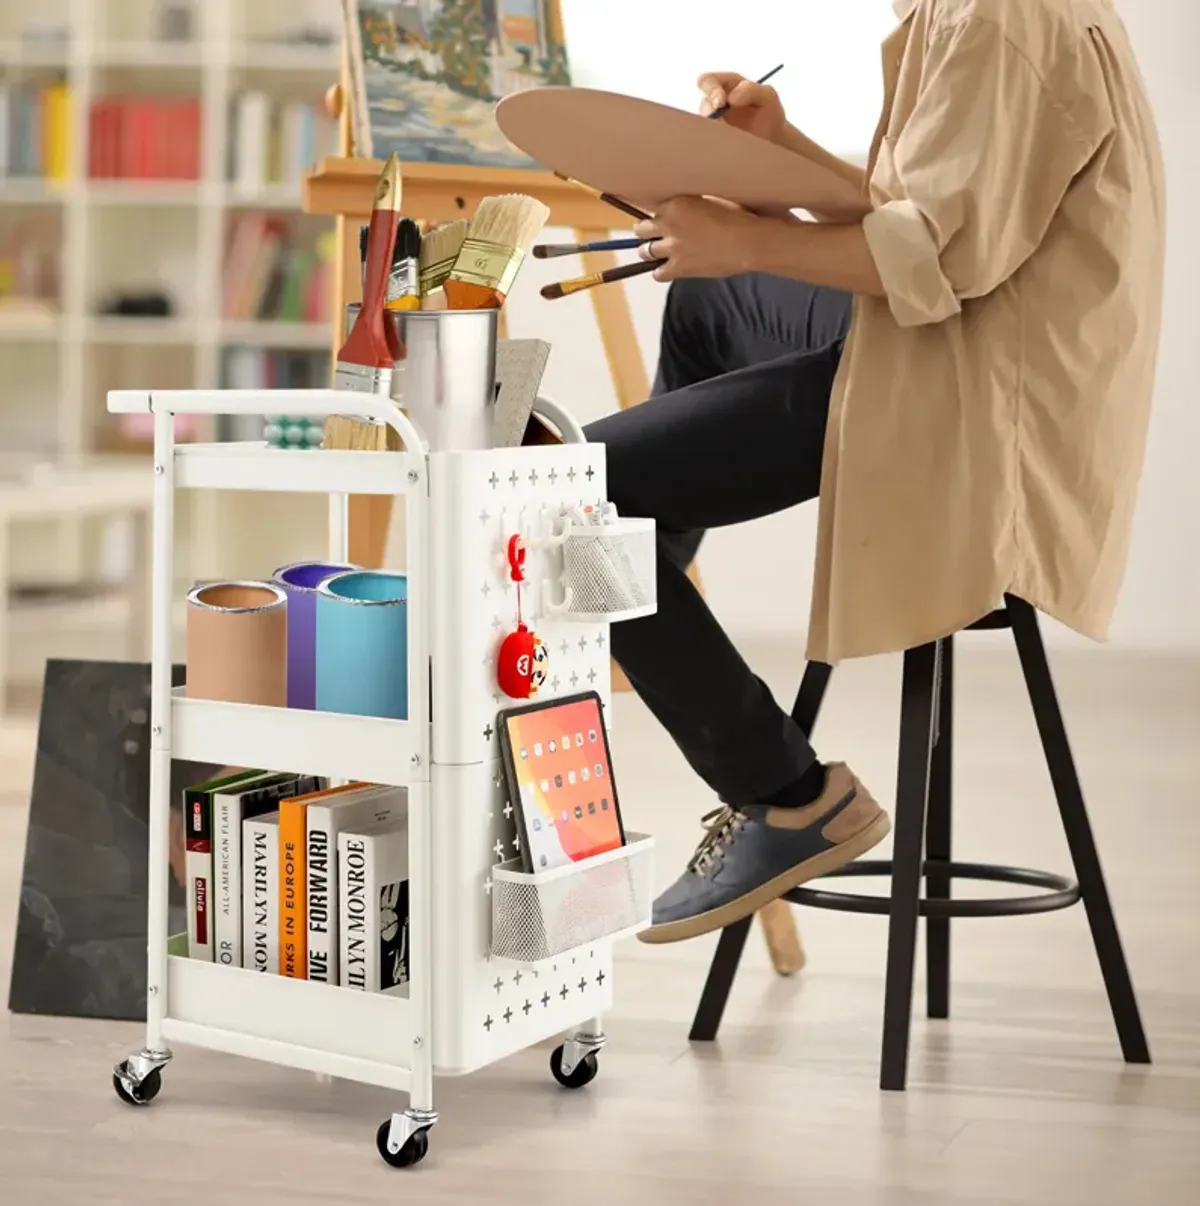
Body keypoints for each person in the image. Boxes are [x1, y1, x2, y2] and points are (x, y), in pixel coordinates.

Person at [583, 0, 1166, 945]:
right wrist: (780, 153)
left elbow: (930, 257)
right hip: (961, 344)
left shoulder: (1000, 17)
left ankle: (790, 796)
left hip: (976, 402)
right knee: (706, 303)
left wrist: (749, 235)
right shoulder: (965, 9)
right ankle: (629, 611)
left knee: (581, 498)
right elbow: (924, 214)